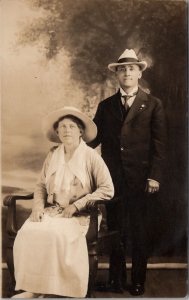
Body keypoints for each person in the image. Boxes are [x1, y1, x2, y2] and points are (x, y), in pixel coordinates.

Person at [12, 106, 114, 298]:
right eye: (63, 127)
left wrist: (77, 204)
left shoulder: (91, 156)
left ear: (81, 132)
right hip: (55, 211)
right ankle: (35, 288)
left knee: (57, 235)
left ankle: (65, 289)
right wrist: (38, 207)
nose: (67, 130)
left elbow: (107, 189)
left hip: (82, 215)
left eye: (72, 126)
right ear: (57, 132)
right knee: (29, 232)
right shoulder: (53, 154)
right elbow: (41, 185)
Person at [89, 49, 166, 295]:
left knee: (139, 231)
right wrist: (70, 147)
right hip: (112, 181)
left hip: (142, 180)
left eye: (131, 68)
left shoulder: (153, 104)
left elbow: (160, 145)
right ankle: (116, 280)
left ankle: (138, 281)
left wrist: (154, 175)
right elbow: (94, 138)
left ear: (139, 72)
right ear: (116, 75)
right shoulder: (106, 106)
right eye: (122, 69)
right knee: (115, 231)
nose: (127, 72)